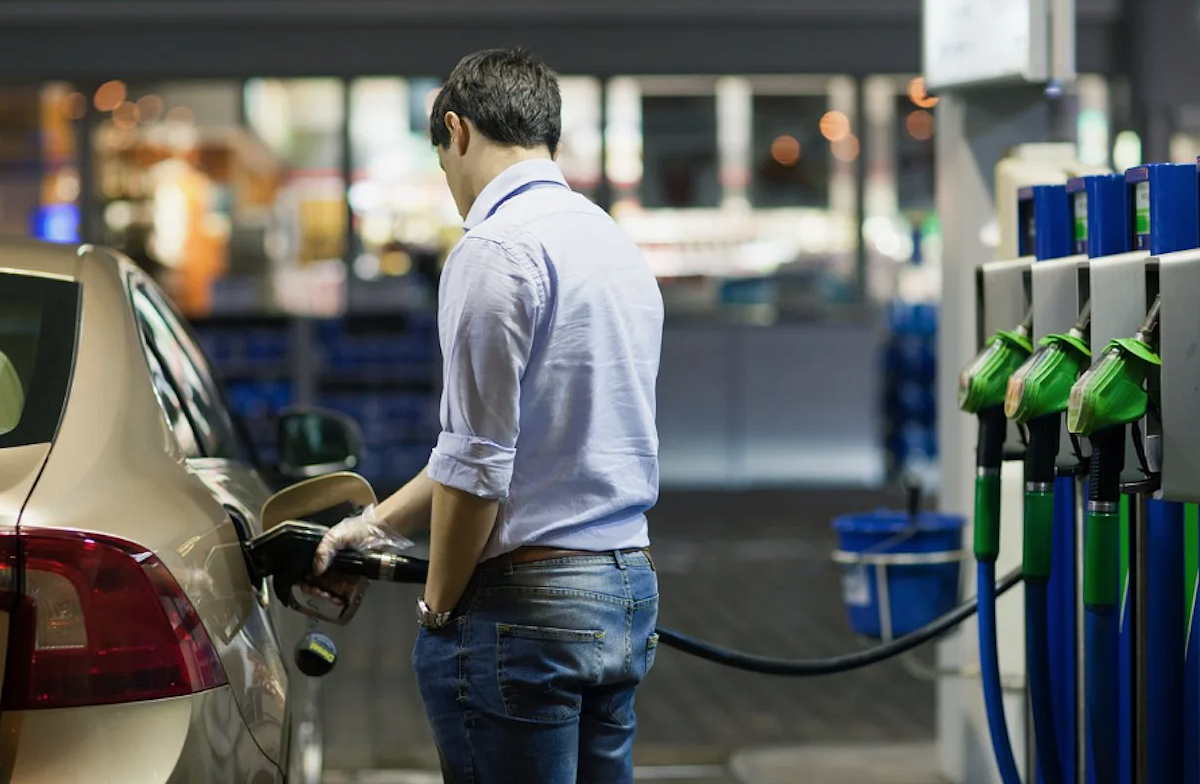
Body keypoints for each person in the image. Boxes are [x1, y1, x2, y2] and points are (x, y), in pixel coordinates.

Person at [312, 47, 665, 784]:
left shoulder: (495, 248)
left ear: (457, 130)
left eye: (441, 161)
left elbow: (478, 468)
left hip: (523, 613)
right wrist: (374, 525)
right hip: (623, 592)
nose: (448, 184)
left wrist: (440, 610)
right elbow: (505, 449)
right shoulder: (612, 244)